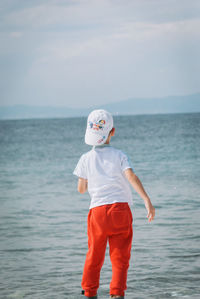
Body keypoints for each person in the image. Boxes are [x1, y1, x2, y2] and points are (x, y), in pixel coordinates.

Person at [73, 109, 155, 299]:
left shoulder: (85, 158)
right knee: (120, 258)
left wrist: (88, 178)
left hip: (98, 212)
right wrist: (146, 200)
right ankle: (117, 294)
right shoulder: (119, 155)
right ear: (113, 132)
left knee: (94, 255)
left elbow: (81, 189)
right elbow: (131, 176)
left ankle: (89, 292)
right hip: (120, 210)